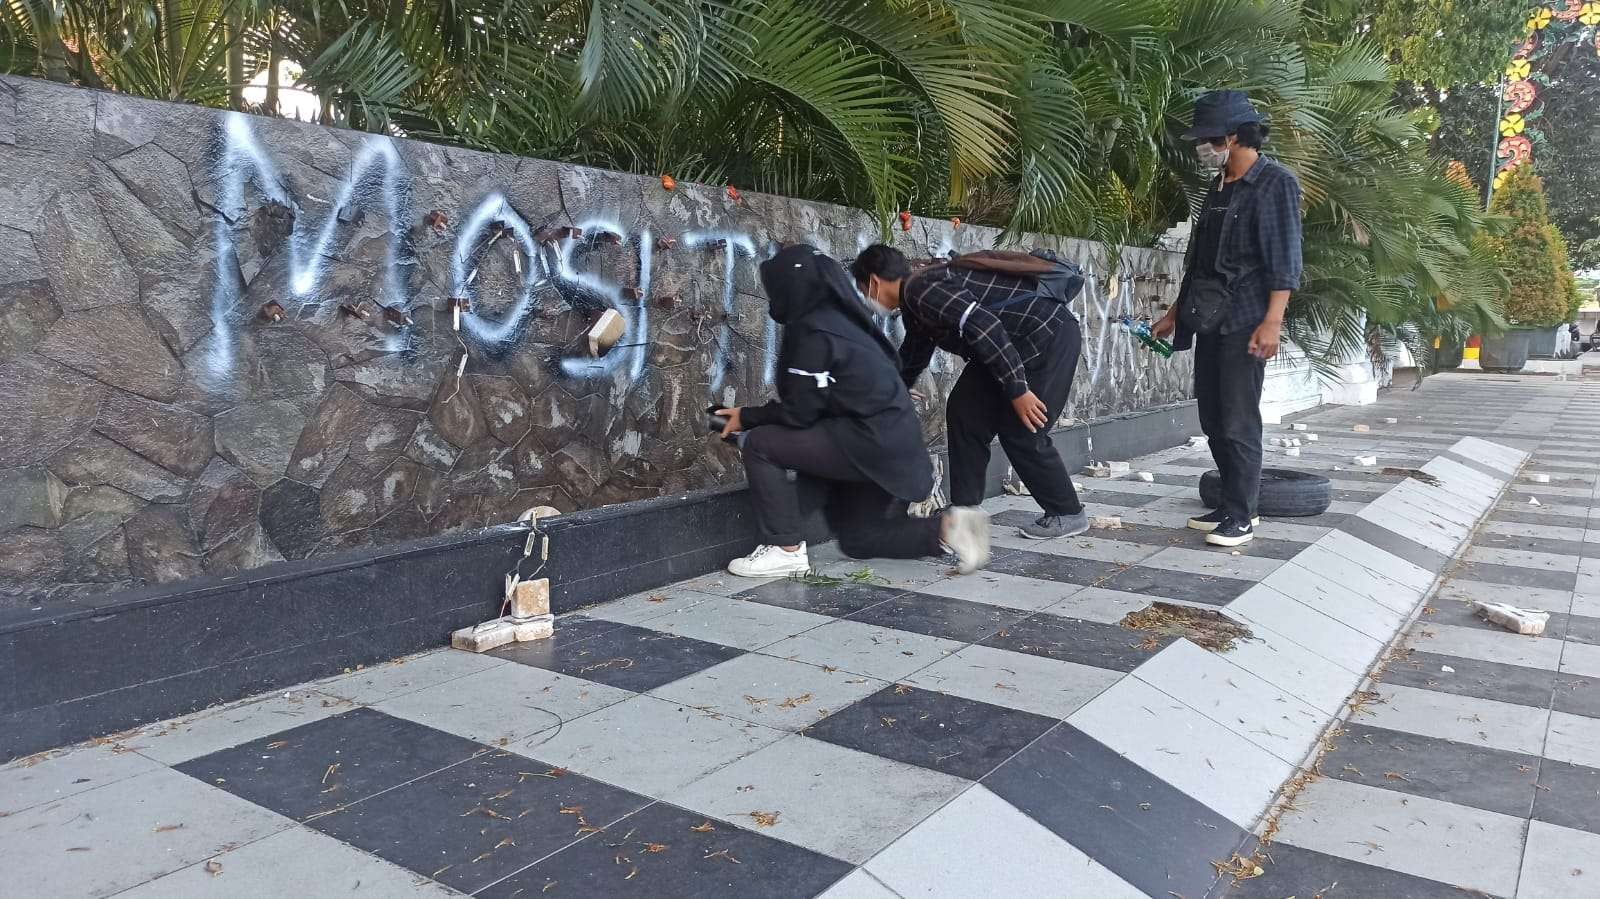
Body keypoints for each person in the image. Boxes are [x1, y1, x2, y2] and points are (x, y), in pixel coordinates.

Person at [716, 243, 990, 579]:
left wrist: (747, 418)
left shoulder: (812, 329)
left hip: (869, 441)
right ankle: (949, 529)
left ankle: (785, 549)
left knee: (761, 442)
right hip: (890, 447)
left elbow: (801, 413)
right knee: (860, 538)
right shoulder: (849, 323)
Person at [849, 245, 1087, 540]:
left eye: (863, 290)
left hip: (1047, 339)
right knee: (965, 412)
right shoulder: (915, 300)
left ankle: (1067, 511)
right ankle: (965, 510)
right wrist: (896, 388)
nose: (866, 298)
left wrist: (1018, 390)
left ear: (873, 281)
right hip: (1006, 347)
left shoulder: (922, 289)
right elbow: (915, 353)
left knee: (1022, 429)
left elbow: (983, 325)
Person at [1154, 90, 1303, 547]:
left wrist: (1272, 322)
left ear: (1235, 136)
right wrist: (1175, 315)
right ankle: (1229, 502)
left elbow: (1285, 259)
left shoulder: (1275, 183)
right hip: (1209, 318)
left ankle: (1243, 512)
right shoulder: (1217, 187)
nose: (1203, 147)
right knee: (1213, 414)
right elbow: (1199, 262)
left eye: (1209, 138)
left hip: (1247, 318)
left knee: (1238, 417)